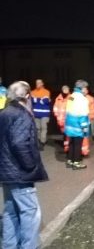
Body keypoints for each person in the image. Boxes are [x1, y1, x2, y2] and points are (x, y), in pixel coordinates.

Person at [0, 81, 49, 249]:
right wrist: (29, 166)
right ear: (27, 96)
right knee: (30, 211)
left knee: (10, 212)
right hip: (19, 172)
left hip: (6, 171)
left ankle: (9, 246)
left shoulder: (4, 113)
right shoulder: (22, 114)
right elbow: (19, 143)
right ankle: (29, 246)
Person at [64, 80, 90, 169]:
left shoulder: (71, 97)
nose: (86, 89)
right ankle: (77, 162)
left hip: (70, 124)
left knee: (72, 142)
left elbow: (67, 110)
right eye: (85, 87)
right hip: (78, 125)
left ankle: (70, 160)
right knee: (78, 144)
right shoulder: (83, 99)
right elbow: (83, 115)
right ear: (82, 88)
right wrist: (85, 128)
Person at [31, 79, 51, 150]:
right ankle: (38, 141)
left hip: (44, 114)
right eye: (36, 83)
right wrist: (39, 100)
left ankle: (42, 142)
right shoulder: (32, 92)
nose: (38, 84)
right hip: (35, 114)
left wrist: (36, 100)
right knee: (37, 129)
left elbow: (45, 101)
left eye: (39, 83)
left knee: (43, 128)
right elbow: (32, 101)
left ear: (42, 83)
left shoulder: (46, 91)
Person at [80, 87, 94, 156]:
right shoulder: (75, 97)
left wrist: (90, 118)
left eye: (85, 90)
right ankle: (78, 149)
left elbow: (93, 109)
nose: (83, 91)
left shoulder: (91, 98)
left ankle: (84, 151)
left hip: (85, 121)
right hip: (77, 120)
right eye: (82, 90)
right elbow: (68, 101)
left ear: (87, 91)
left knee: (85, 135)